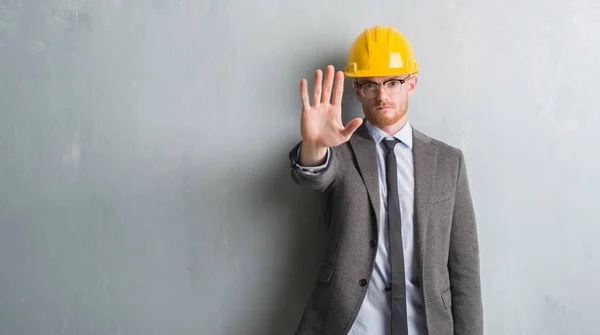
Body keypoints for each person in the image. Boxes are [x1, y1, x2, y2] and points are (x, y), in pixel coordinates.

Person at [288, 26, 484, 335]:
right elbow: (314, 174)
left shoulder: (448, 162)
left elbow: (464, 267)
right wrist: (315, 145)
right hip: (352, 325)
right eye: (370, 85)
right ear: (357, 90)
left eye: (393, 83)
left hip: (427, 327)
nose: (382, 95)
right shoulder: (340, 151)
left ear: (412, 83)